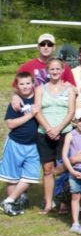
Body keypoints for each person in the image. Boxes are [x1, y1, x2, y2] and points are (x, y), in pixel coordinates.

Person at [34, 57, 77, 214]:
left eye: (57, 69)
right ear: (47, 71)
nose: (55, 72)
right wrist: (48, 128)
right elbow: (37, 110)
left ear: (63, 70)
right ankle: (48, 203)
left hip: (64, 132)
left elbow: (71, 111)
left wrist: (58, 129)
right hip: (44, 133)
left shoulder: (69, 89)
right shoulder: (40, 89)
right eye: (52, 69)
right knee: (47, 169)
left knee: (63, 166)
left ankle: (63, 201)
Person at [1, 73, 41, 217]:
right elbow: (10, 123)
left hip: (33, 144)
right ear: (17, 86)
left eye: (28, 83)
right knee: (12, 177)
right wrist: (30, 115)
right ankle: (13, 205)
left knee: (32, 176)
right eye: (22, 84)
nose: (25, 87)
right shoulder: (16, 102)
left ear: (33, 84)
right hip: (15, 143)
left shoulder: (38, 97)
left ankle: (8, 200)